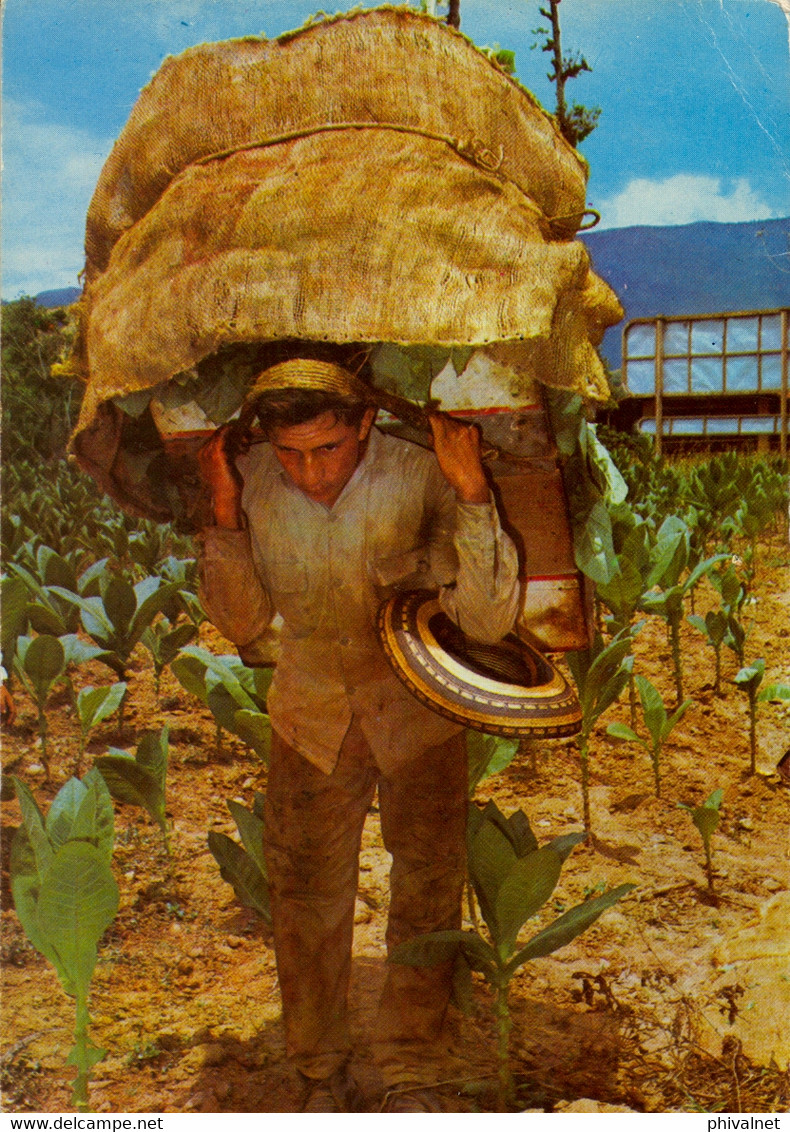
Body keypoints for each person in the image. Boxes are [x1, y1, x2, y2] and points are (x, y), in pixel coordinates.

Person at [196, 353, 520, 1112]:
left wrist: (471, 490)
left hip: (419, 709)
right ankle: (317, 1072)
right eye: (291, 454)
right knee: (305, 894)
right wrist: (222, 509)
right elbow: (242, 623)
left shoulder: (421, 473)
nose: (309, 473)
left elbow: (487, 621)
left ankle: (412, 1063)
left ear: (367, 423)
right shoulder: (253, 484)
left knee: (429, 883)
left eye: (328, 449)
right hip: (310, 715)